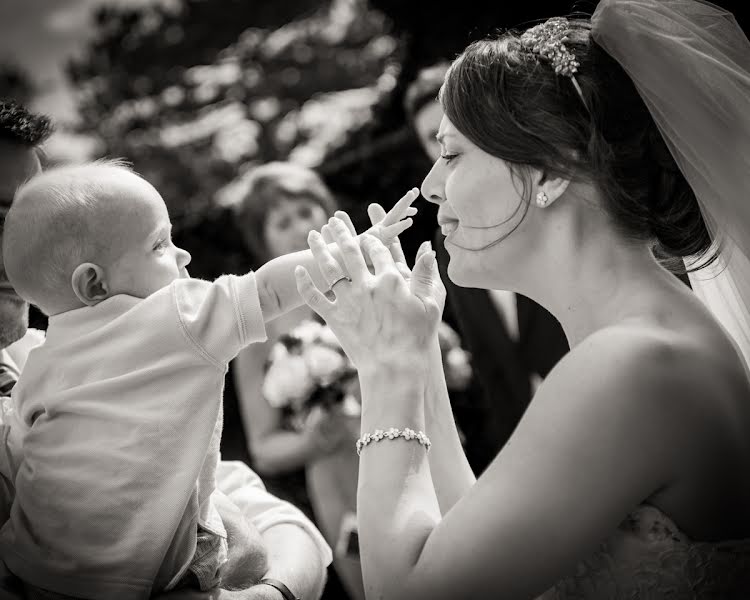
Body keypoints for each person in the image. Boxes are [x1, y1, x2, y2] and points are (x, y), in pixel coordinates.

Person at [292, 1, 750, 597]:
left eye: (451, 153)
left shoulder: (634, 366)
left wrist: (388, 370)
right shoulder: (646, 343)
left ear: (549, 172)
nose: (430, 186)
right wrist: (418, 353)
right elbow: (465, 549)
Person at [0, 158, 414, 598]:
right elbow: (270, 289)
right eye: (160, 244)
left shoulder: (40, 361)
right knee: (248, 554)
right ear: (95, 286)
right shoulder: (172, 315)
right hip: (149, 572)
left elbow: (31, 452)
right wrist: (350, 252)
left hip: (40, 571)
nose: (183, 255)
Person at [405, 63, 569, 468]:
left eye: (452, 142)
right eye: (432, 140)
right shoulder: (447, 246)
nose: (437, 161)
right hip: (524, 440)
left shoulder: (554, 210)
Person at [228, 162, 364, 600]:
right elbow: (265, 449)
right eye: (282, 222)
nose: (300, 227)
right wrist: (316, 439)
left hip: (420, 441)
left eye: (307, 211)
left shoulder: (376, 276)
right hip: (341, 480)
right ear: (263, 242)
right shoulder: (257, 333)